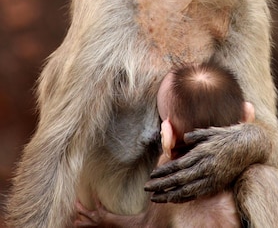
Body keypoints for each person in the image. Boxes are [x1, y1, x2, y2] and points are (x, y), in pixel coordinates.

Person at [75, 59, 255, 228]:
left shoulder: (168, 182)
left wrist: (105, 219)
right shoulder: (245, 177)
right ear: (247, 115)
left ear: (167, 136)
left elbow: (147, 225)